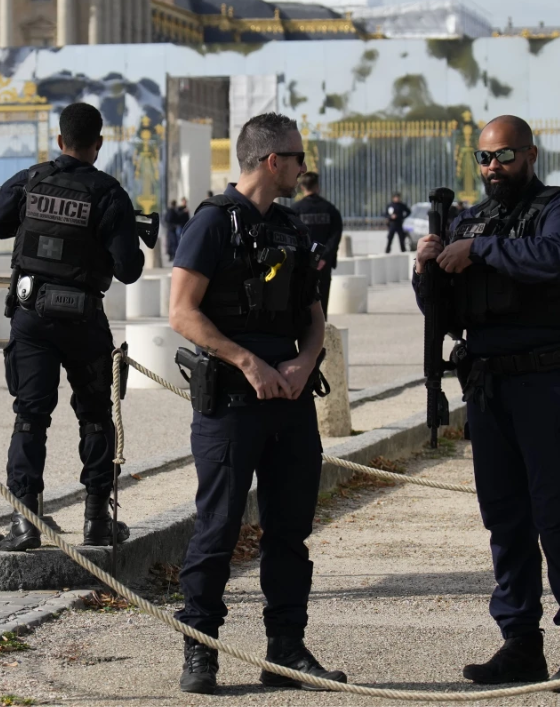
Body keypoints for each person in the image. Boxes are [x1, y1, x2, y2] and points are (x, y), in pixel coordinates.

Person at [414, 115, 560, 693]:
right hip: (489, 388)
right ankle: (520, 644)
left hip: (550, 385)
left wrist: (481, 249)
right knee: (506, 521)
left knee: (555, 516)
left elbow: (556, 259)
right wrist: (429, 266)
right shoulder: (469, 220)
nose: (493, 169)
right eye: (484, 159)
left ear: (530, 154)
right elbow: (445, 315)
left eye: (504, 157)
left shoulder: (558, 208)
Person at [169, 113, 345, 695]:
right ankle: (202, 651)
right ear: (273, 162)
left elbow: (315, 319)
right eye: (296, 158)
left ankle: (286, 651)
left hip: (290, 403)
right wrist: (248, 362)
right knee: (217, 529)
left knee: (289, 532)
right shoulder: (213, 224)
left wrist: (302, 364)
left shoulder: (293, 229)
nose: (302, 167)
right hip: (231, 404)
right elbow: (182, 312)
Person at [0, 102, 143, 552]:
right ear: (99, 145)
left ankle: (24, 523)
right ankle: (96, 522)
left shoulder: (33, 179)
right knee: (94, 418)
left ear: (59, 140)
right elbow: (129, 270)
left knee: (30, 418)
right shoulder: (109, 193)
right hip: (85, 321)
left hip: (33, 317)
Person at [291, 171, 344, 317]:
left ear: (302, 187)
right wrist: (323, 258)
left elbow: (291, 238)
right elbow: (335, 237)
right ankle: (322, 333)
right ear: (318, 187)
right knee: (322, 302)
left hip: (301, 264)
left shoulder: (295, 210)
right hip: (323, 265)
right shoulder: (330, 210)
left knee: (300, 301)